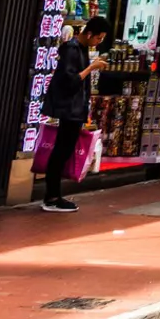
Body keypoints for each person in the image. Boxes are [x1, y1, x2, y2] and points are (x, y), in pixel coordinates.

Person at [39, 16, 109, 212]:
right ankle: (52, 197)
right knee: (61, 151)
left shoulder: (81, 49)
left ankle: (53, 196)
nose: (99, 42)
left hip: (75, 109)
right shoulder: (71, 49)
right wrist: (91, 68)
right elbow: (70, 80)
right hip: (68, 109)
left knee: (64, 151)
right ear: (89, 34)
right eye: (98, 38)